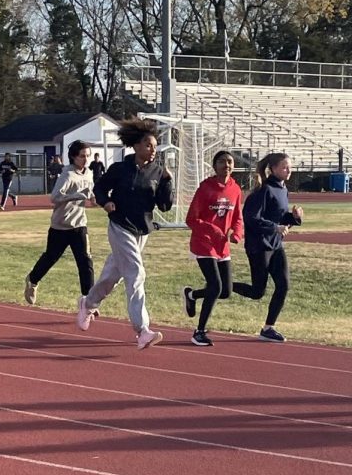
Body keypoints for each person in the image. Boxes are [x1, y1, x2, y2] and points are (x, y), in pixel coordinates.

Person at [77, 118, 174, 350]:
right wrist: (106, 201)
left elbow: (165, 206)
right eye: (149, 145)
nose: (153, 150)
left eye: (155, 146)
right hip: (120, 226)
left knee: (114, 273)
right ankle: (142, 330)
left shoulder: (158, 172)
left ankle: (88, 303)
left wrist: (168, 182)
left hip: (142, 230)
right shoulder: (120, 169)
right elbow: (100, 187)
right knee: (136, 273)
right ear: (136, 146)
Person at [231, 151, 303, 343]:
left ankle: (268, 327)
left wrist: (293, 218)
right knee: (257, 292)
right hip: (259, 246)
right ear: (273, 169)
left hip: (275, 245)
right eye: (284, 167)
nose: (289, 171)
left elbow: (279, 217)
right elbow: (251, 218)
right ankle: (219, 286)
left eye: (290, 167)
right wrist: (275, 227)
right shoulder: (263, 190)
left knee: (284, 285)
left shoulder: (283, 188)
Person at [182, 150, 243, 347]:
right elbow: (191, 219)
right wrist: (214, 230)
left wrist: (237, 233)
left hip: (222, 246)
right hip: (204, 243)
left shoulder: (235, 189)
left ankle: (192, 295)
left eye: (230, 162)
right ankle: (199, 332)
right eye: (223, 162)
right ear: (214, 166)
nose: (227, 165)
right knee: (215, 286)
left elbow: (237, 217)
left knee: (225, 291)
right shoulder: (205, 188)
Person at [24, 140, 95, 305]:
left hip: (79, 225)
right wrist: (76, 195)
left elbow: (88, 193)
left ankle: (89, 301)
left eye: (88, 156)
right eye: (82, 156)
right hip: (60, 225)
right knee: (51, 257)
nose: (85, 160)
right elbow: (54, 198)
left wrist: (94, 198)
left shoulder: (89, 173)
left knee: (85, 261)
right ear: (73, 157)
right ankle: (32, 280)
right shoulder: (67, 175)